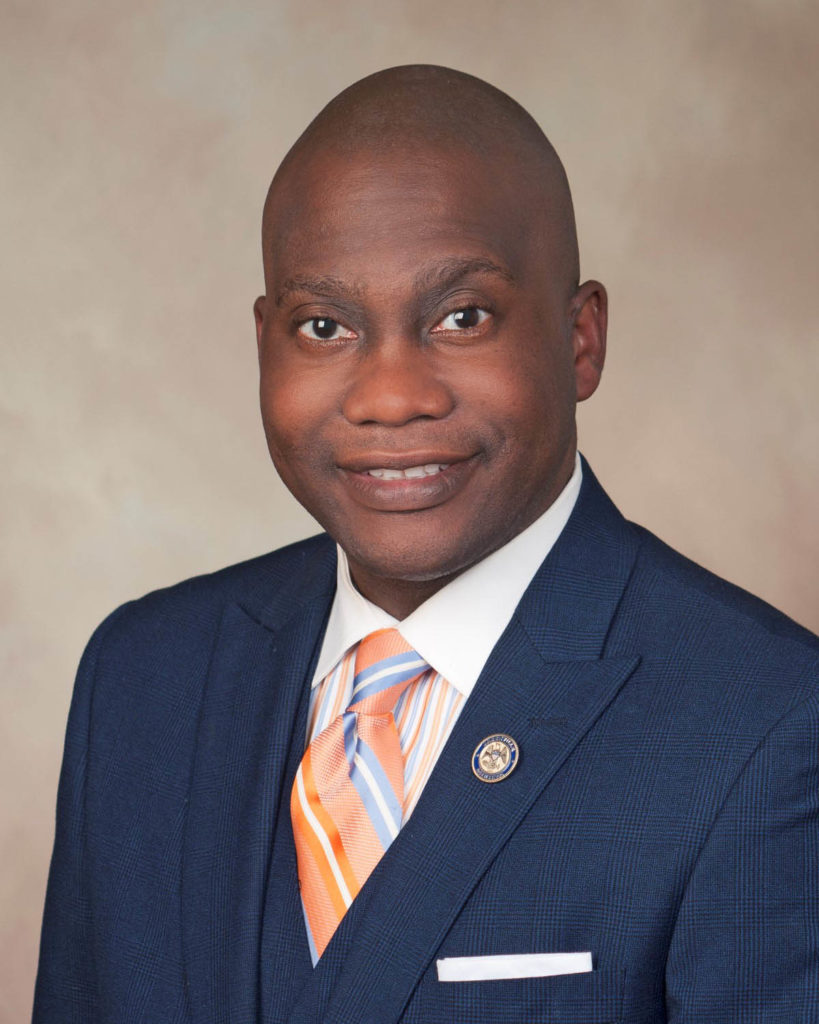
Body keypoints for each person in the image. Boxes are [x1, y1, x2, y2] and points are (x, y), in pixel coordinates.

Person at [34, 65, 818, 1024]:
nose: (389, 395)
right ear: (263, 343)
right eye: (323, 326)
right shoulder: (142, 680)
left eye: (462, 318)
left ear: (580, 340)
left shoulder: (766, 723)